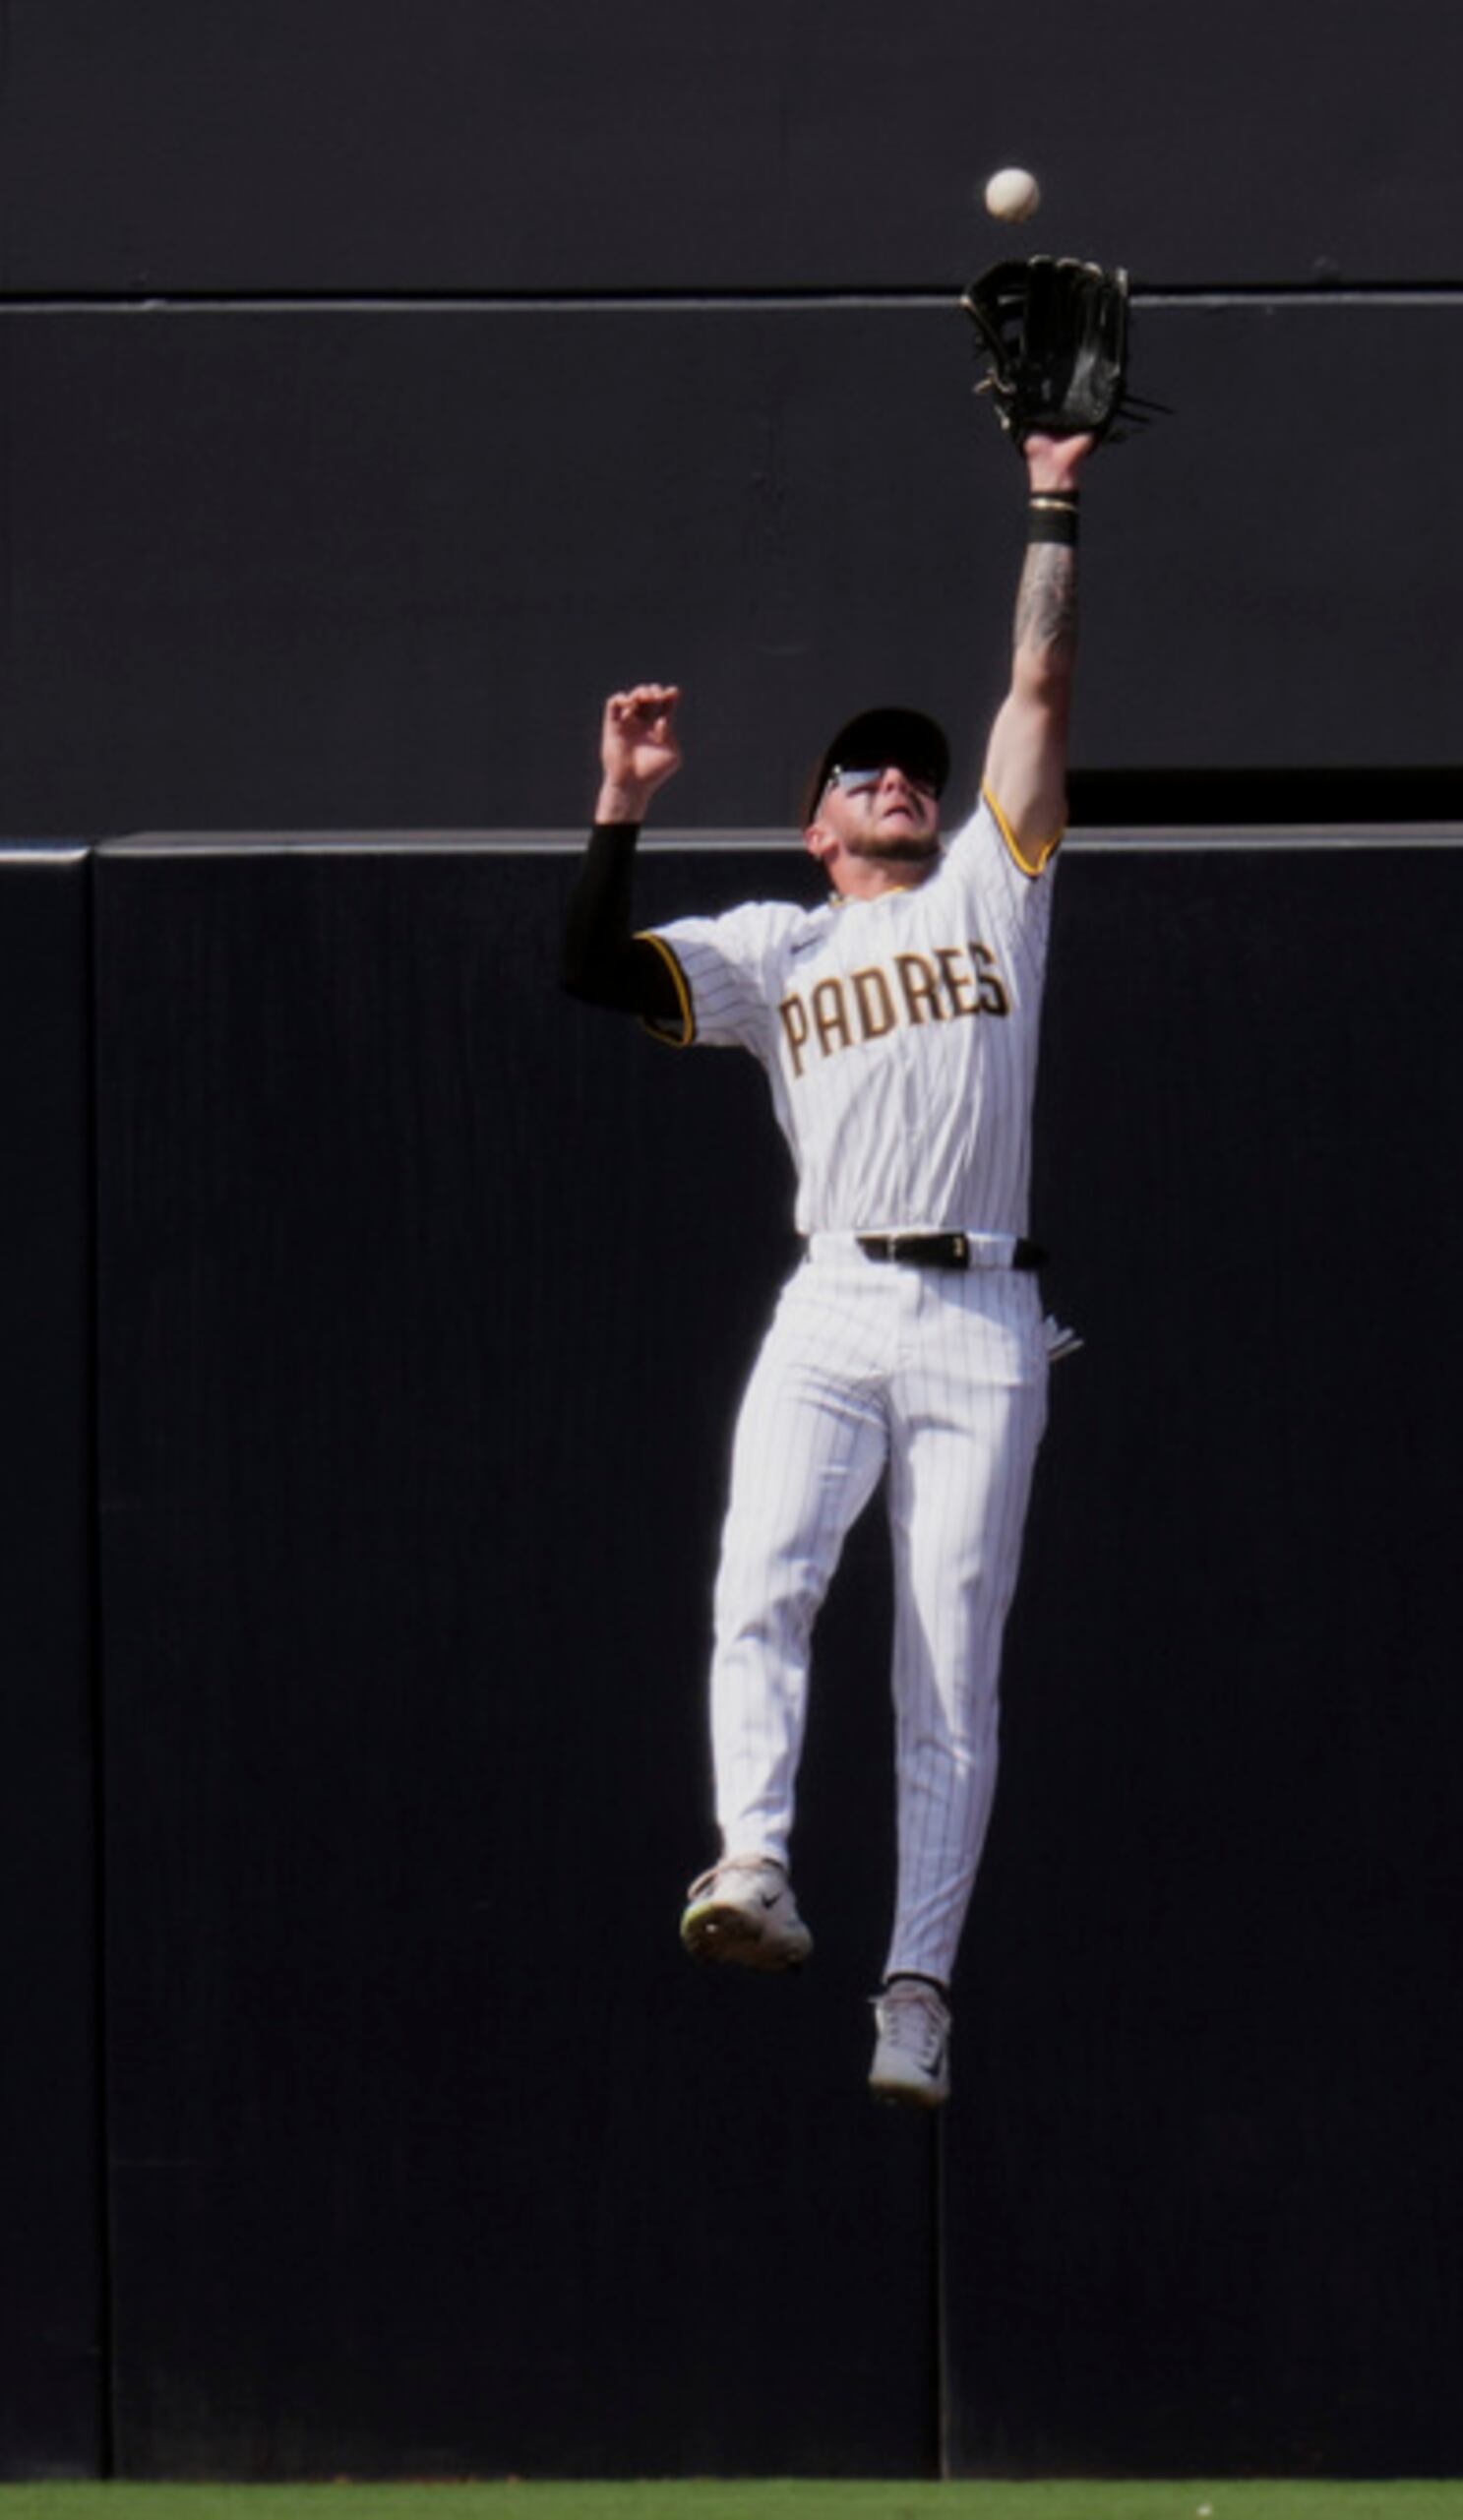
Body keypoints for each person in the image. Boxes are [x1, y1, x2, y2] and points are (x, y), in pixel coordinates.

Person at [559, 424, 1099, 2108]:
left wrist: (1054, 493)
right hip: (835, 1295)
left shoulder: (990, 899)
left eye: (909, 769)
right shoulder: (778, 946)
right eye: (863, 770)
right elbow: (593, 968)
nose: (895, 781)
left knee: (948, 1658)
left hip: (985, 1311)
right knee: (761, 1575)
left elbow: (1037, 692)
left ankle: (918, 1987)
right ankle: (755, 1866)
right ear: (812, 823)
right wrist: (619, 805)